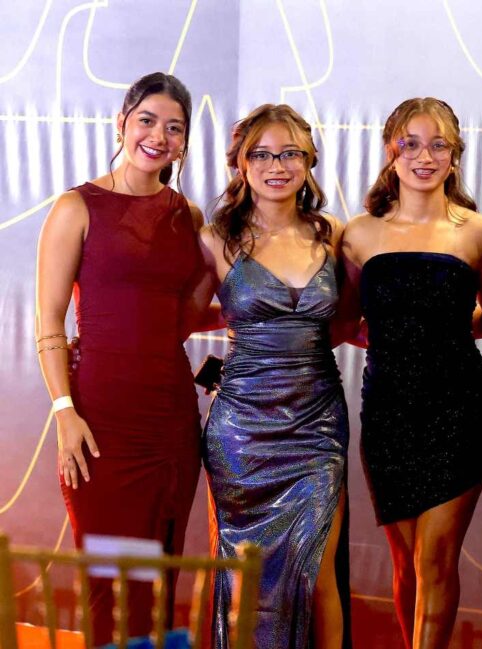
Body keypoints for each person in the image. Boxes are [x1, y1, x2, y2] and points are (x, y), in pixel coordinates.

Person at [339, 97, 482, 649]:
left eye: (439, 144)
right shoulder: (359, 234)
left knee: (435, 559)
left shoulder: (479, 233)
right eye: (411, 143)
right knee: (405, 563)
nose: (425, 156)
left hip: (458, 411)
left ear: (455, 154)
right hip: (388, 415)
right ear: (390, 151)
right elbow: (343, 324)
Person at [35, 72, 203, 643]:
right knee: (108, 582)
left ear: (184, 141)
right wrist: (64, 412)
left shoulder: (187, 216)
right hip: (99, 422)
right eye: (147, 121)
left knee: (159, 580)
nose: (159, 136)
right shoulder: (76, 206)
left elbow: (181, 315)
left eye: (174, 128)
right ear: (121, 124)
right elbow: (49, 322)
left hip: (172, 422)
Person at [196, 104, 349, 649]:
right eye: (261, 154)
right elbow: (178, 315)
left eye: (289, 153)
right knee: (244, 579)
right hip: (242, 431)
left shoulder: (334, 235)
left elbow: (353, 321)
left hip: (316, 428)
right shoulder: (215, 239)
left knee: (317, 573)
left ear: (309, 161)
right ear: (241, 163)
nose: (276, 166)